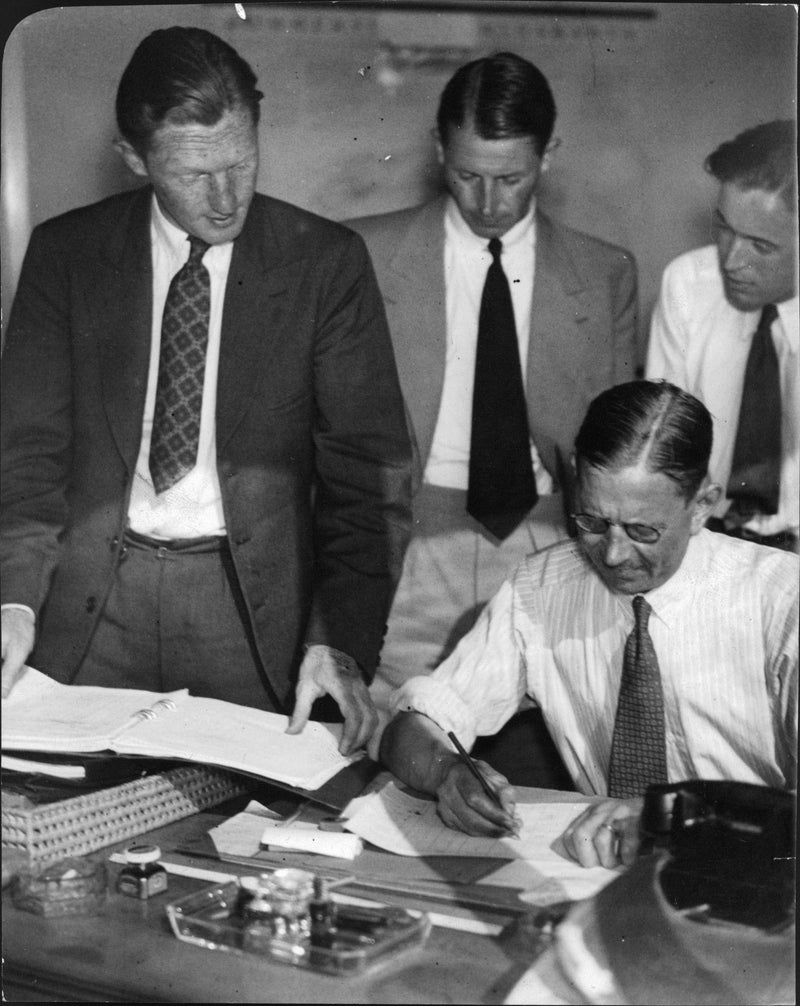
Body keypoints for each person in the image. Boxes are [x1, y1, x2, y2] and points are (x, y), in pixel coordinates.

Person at [0, 27, 413, 754]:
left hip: (250, 615)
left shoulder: (325, 264)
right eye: (194, 174)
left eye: (242, 161)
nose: (226, 198)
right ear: (135, 160)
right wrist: (12, 598)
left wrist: (340, 641)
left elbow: (367, 482)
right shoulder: (66, 255)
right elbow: (28, 455)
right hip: (93, 602)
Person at [379, 380, 798, 868]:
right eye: (593, 523)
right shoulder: (542, 587)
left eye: (643, 530)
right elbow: (417, 722)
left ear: (703, 505)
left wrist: (676, 819)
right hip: (601, 876)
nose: (614, 554)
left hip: (754, 874)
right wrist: (447, 771)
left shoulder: (781, 599)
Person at [348, 52, 639, 711]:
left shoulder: (606, 273)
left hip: (550, 544)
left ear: (550, 154)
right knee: (393, 739)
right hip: (411, 543)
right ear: (437, 149)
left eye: (511, 178)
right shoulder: (361, 254)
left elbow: (611, 455)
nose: (486, 202)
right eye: (466, 174)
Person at [647, 120, 798, 552]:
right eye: (724, 227)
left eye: (761, 246)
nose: (731, 260)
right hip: (706, 540)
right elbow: (665, 452)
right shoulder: (688, 284)